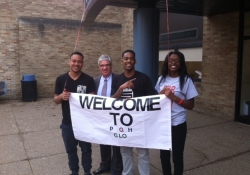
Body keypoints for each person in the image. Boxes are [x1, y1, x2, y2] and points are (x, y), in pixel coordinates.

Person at [111, 49, 156, 175]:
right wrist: (121, 88)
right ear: (122, 61)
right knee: (125, 153)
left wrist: (135, 101)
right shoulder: (117, 79)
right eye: (126, 58)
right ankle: (127, 173)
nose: (128, 61)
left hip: (140, 122)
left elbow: (152, 99)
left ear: (135, 61)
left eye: (131, 58)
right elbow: (112, 100)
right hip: (124, 123)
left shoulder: (144, 78)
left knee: (143, 153)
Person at [155, 50, 198, 175]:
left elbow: (191, 105)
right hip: (163, 124)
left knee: (177, 156)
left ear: (181, 63)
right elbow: (156, 101)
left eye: (177, 60)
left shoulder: (186, 81)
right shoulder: (161, 79)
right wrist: (160, 94)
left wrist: (174, 97)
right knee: (164, 156)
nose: (173, 63)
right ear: (166, 63)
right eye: (170, 60)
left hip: (178, 124)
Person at [54, 51, 95, 175]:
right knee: (71, 151)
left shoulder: (88, 79)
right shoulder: (61, 79)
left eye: (79, 61)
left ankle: (87, 171)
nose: (77, 64)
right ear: (69, 62)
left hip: (85, 123)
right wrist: (61, 96)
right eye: (74, 61)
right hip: (68, 124)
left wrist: (88, 97)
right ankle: (74, 171)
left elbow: (92, 99)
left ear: (82, 63)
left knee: (86, 150)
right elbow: (55, 100)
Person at [93, 54, 123, 175]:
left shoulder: (119, 79)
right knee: (103, 142)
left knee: (116, 144)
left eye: (107, 65)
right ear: (99, 67)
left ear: (111, 66)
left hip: (115, 117)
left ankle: (116, 169)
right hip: (101, 117)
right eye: (102, 65)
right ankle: (105, 165)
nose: (105, 68)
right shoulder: (95, 81)